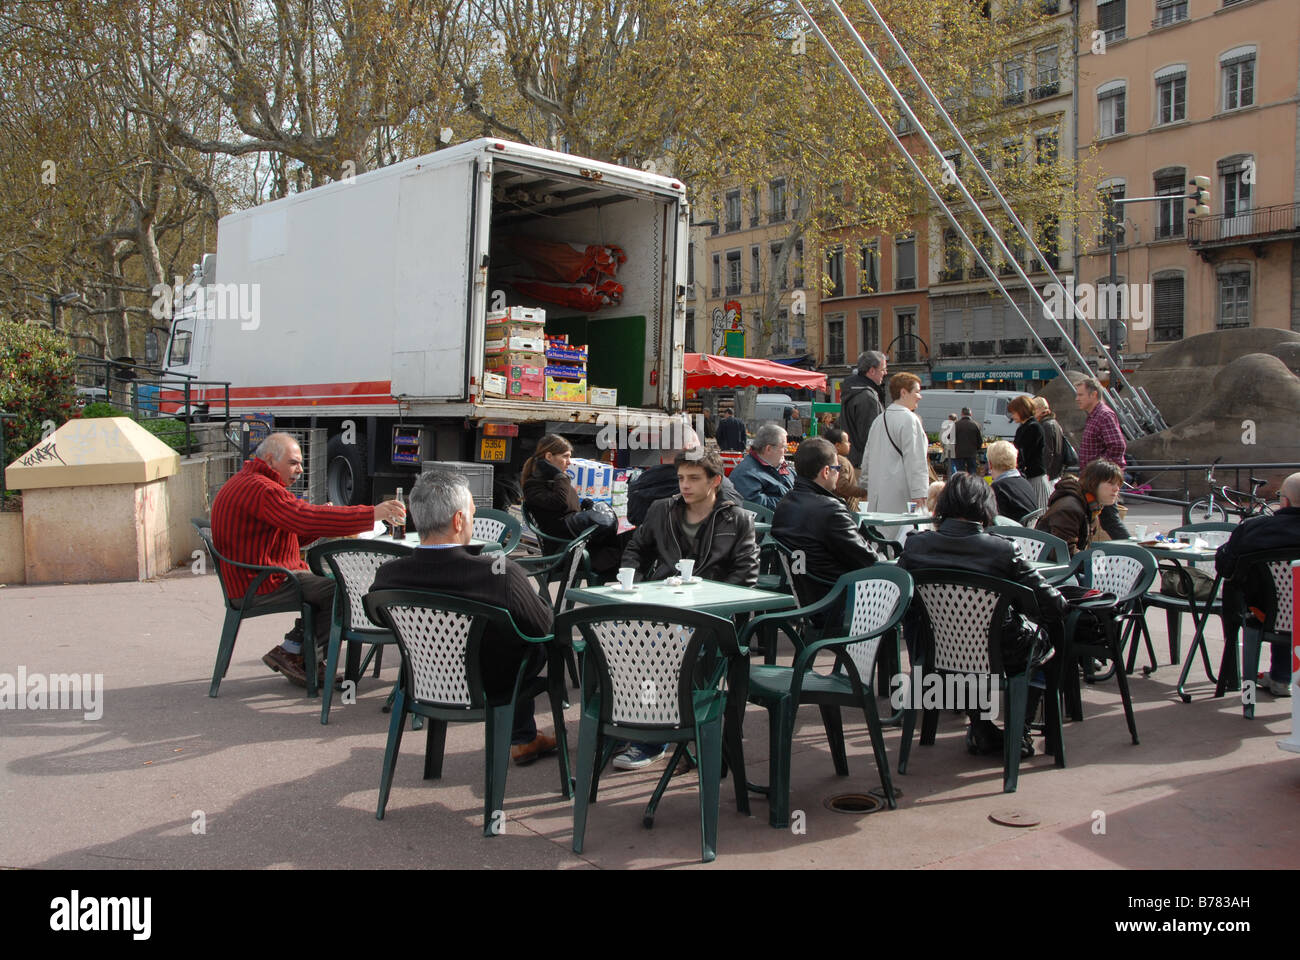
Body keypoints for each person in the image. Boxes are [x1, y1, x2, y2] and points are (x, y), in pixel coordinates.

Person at [369, 471, 558, 763]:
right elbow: (544, 627)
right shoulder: (500, 573)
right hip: (493, 685)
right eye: (471, 514)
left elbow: (378, 619)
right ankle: (523, 737)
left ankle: (524, 737)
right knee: (526, 645)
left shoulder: (388, 575)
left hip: (424, 681)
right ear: (459, 521)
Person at [211, 432, 406, 688]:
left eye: (300, 464)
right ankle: (303, 658)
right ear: (270, 460)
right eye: (293, 463)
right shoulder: (262, 489)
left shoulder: (252, 481)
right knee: (341, 592)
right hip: (261, 582)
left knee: (327, 587)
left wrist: (325, 519)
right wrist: (371, 514)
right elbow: (303, 518)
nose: (299, 470)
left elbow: (295, 530)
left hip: (256, 577)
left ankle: (293, 648)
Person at [899, 472, 1066, 758]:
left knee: (970, 647)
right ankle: (1020, 730)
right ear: (986, 506)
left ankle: (981, 725)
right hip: (997, 652)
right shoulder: (1003, 550)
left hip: (936, 652)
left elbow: (902, 598)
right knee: (1044, 644)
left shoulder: (915, 545)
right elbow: (1054, 605)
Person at [614, 450, 760, 770]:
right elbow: (636, 551)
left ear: (715, 481)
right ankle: (630, 718)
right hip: (663, 606)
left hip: (712, 616)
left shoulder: (737, 519)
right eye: (681, 478)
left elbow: (746, 577)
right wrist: (633, 585)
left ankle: (651, 737)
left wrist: (705, 597)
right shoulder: (662, 510)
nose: (685, 485)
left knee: (652, 647)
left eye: (694, 478)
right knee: (612, 637)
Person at [1214, 472, 1300, 698]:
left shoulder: (1254, 529)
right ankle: (1282, 675)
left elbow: (1226, 569)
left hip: (1270, 615)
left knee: (1277, 599)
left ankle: (1279, 677)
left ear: (1285, 501)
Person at [771, 437, 877, 605]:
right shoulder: (830, 510)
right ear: (826, 471)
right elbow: (869, 561)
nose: (839, 473)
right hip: (839, 601)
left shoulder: (785, 503)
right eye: (837, 468)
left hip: (804, 596)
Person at [521, 434, 621, 578]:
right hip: (565, 550)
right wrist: (560, 476)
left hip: (577, 542)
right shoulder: (534, 485)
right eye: (565, 457)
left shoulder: (555, 480)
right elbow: (560, 503)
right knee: (620, 543)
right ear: (549, 457)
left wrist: (584, 506)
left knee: (625, 538)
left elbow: (569, 508)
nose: (569, 462)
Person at [626, 426, 742, 526]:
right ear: (688, 449)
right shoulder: (712, 483)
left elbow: (634, 519)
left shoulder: (639, 485)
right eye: (698, 448)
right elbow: (735, 510)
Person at [862, 373, 929, 542]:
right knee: (902, 540)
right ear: (904, 392)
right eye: (917, 392)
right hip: (901, 495)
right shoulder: (909, 419)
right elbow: (916, 460)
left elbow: (867, 459)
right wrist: (919, 493)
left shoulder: (879, 419)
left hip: (878, 494)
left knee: (881, 540)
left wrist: (866, 485)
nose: (920, 397)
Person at [1075, 377, 1129, 540]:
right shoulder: (1094, 415)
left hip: (1100, 480)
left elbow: (1118, 445)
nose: (1077, 398)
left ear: (1094, 395)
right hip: (1094, 479)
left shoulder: (1104, 415)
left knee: (1110, 520)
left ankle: (1135, 555)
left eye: (1081, 395)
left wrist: (1100, 471)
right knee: (1103, 520)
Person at [1036, 459, 1123, 555]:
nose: (1116, 489)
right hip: (1050, 566)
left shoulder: (1090, 505)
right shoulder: (1071, 508)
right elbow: (1064, 552)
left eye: (1118, 484)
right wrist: (1096, 563)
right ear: (1093, 482)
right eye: (1110, 483)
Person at [839, 350, 888, 467]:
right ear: (872, 370)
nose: (885, 373)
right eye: (883, 369)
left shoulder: (853, 391)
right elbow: (869, 437)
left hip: (854, 460)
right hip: (864, 464)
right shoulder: (867, 397)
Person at [729, 423, 794, 510]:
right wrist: (793, 501)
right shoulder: (745, 474)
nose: (786, 451)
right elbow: (758, 507)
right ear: (769, 449)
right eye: (783, 447)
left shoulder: (780, 467)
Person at [1008, 395, 1050, 510]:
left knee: (1038, 510)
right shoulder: (1027, 426)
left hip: (1034, 476)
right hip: (1031, 475)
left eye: (1014, 412)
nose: (1012, 416)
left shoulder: (1033, 427)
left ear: (1022, 411)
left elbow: (1024, 453)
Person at [987, 439, 1037, 524]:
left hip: (1011, 533)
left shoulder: (997, 489)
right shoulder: (1025, 482)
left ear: (990, 464)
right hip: (1028, 532)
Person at [823, 426, 869, 512]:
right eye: (847, 441)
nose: (849, 444)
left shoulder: (827, 459)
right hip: (845, 508)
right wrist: (863, 492)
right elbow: (842, 486)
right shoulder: (840, 461)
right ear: (837, 445)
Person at [1033, 396, 1066, 483]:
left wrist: (1043, 474)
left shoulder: (1046, 425)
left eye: (1033, 410)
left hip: (1049, 477)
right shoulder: (1054, 423)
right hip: (1055, 474)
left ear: (1040, 410)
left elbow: (1047, 453)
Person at [952, 407, 982, 475]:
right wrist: (977, 449)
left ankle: (961, 484)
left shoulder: (956, 425)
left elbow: (950, 438)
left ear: (962, 414)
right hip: (971, 452)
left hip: (959, 452)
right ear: (971, 414)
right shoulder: (976, 425)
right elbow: (979, 440)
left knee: (960, 473)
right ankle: (971, 485)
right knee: (972, 471)